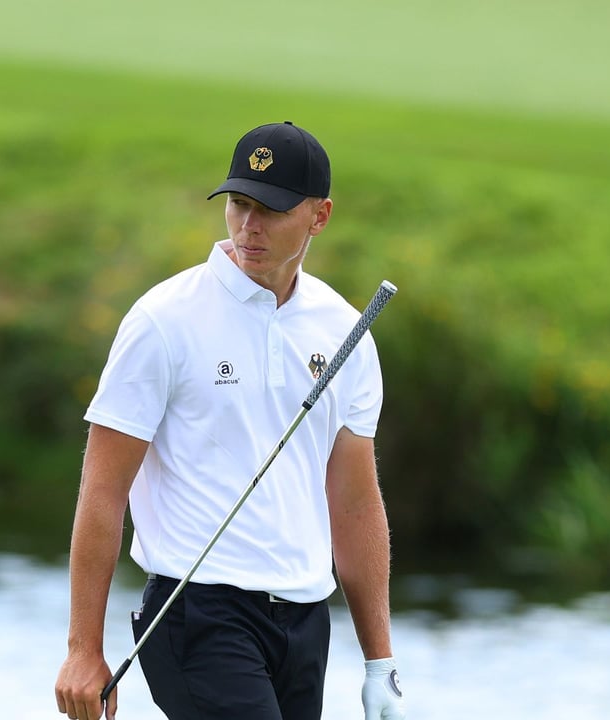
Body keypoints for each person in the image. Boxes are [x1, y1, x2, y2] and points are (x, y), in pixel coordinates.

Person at [54, 121, 406, 720]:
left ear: (319, 217)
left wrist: (380, 664)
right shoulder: (164, 320)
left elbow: (353, 503)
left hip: (303, 621)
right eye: (239, 205)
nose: (249, 226)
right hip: (197, 615)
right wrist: (84, 648)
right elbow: (103, 492)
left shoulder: (345, 331)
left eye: (270, 210)